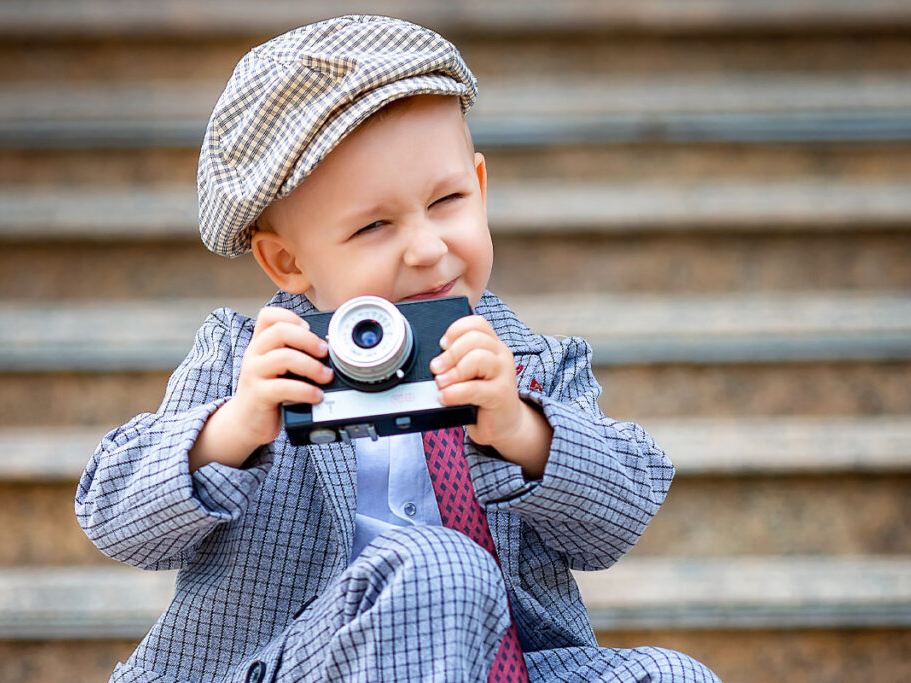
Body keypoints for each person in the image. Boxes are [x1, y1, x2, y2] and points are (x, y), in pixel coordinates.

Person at [76, 14, 719, 683]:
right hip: (294, 664)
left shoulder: (530, 364)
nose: (427, 248)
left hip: (499, 663)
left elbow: (617, 517)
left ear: (481, 186)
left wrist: (523, 429)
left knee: (675, 676)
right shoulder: (248, 363)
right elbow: (115, 517)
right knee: (441, 567)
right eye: (375, 225)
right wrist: (231, 429)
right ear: (286, 260)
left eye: (447, 201)